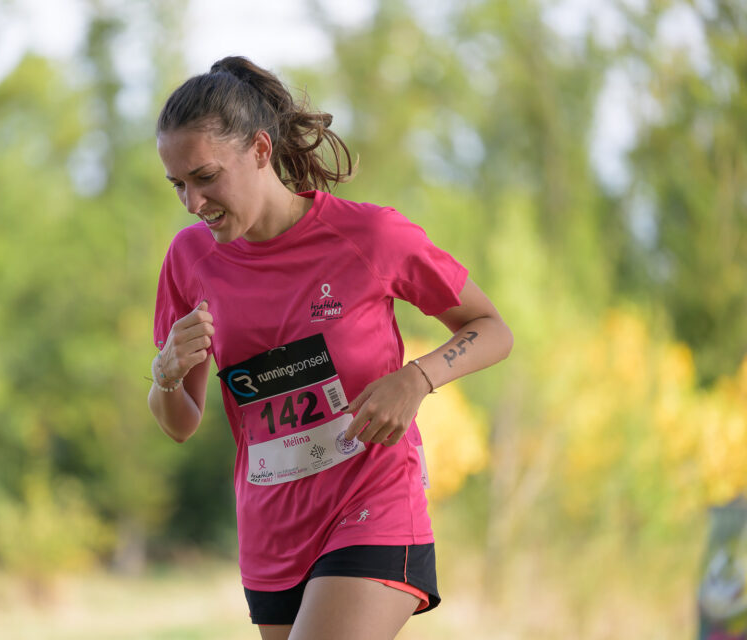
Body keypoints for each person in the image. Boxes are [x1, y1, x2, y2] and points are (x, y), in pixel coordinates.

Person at [148, 56, 513, 640]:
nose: (193, 203)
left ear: (261, 151)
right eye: (179, 186)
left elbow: (491, 327)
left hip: (372, 506)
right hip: (271, 531)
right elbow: (180, 424)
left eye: (206, 177)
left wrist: (416, 378)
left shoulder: (369, 236)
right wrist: (164, 375)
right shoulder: (188, 260)